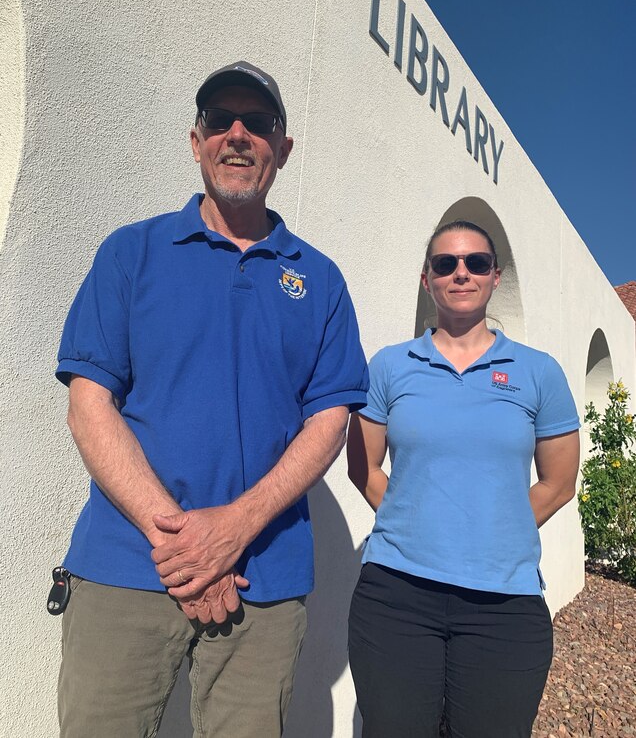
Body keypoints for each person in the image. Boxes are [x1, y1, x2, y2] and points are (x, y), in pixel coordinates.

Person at [54, 60, 368, 737]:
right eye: (219, 120)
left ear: (280, 151)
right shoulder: (130, 253)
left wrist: (234, 528)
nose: (237, 134)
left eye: (257, 123)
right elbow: (89, 407)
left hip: (264, 583)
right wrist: (184, 541)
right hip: (126, 565)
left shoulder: (319, 280)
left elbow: (329, 421)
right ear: (195, 142)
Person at [347, 220, 580, 738]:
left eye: (476, 263)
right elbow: (362, 468)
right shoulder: (388, 366)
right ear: (426, 278)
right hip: (396, 597)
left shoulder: (538, 372)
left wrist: (500, 528)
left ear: (495, 276)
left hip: (504, 602)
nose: (461, 273)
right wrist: (413, 521)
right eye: (445, 263)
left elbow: (559, 482)